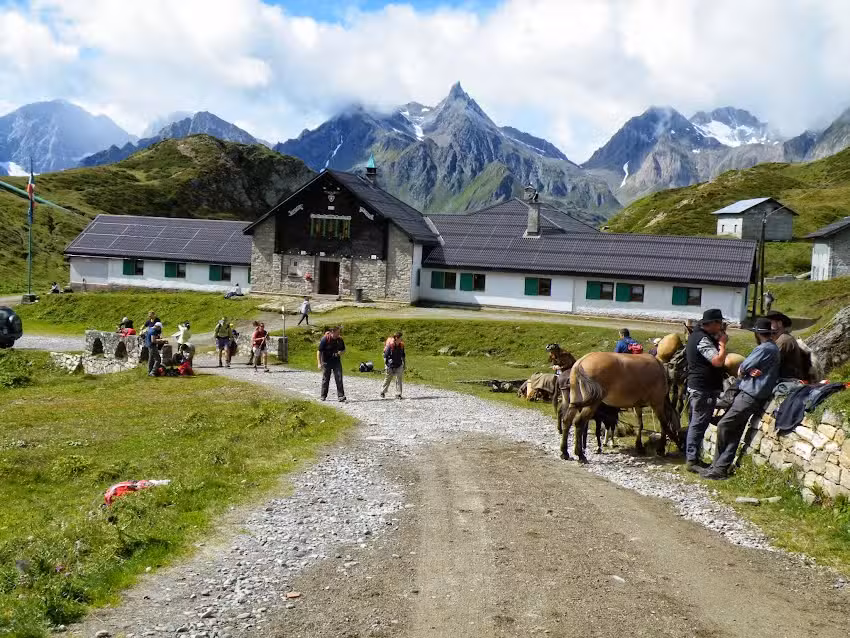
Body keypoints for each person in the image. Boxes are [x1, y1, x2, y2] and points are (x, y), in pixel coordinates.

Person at [701, 318, 780, 480]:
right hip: (754, 394)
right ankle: (720, 468)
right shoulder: (772, 348)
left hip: (749, 394)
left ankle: (718, 467)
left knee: (724, 425)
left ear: (758, 334)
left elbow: (742, 367)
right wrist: (750, 370)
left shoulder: (764, 349)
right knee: (735, 431)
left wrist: (746, 370)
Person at [684, 309, 729, 473]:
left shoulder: (696, 335)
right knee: (698, 423)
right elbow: (717, 361)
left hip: (699, 386)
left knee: (696, 422)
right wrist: (722, 344)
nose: (721, 327)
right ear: (712, 323)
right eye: (719, 323)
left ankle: (692, 457)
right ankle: (692, 460)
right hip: (703, 388)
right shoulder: (703, 339)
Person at [765, 311, 807, 381]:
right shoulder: (782, 338)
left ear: (779, 323)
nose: (767, 325)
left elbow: (769, 360)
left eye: (770, 322)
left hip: (788, 381)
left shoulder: (784, 340)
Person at [317, 326, 346, 402]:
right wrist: (319, 363)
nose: (338, 334)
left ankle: (341, 396)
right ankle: (323, 396)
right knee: (326, 379)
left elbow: (343, 350)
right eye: (337, 332)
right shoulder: (325, 339)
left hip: (336, 361)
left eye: (339, 332)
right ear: (332, 332)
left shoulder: (340, 340)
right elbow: (319, 351)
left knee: (339, 378)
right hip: (326, 362)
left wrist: (340, 353)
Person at [381, 332, 406, 399]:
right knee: (388, 378)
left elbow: (403, 355)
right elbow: (385, 356)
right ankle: (382, 392)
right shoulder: (390, 346)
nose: (401, 339)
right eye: (400, 338)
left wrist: (404, 364)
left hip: (399, 364)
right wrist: (387, 366)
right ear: (396, 338)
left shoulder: (401, 345)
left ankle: (398, 394)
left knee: (399, 379)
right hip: (390, 365)